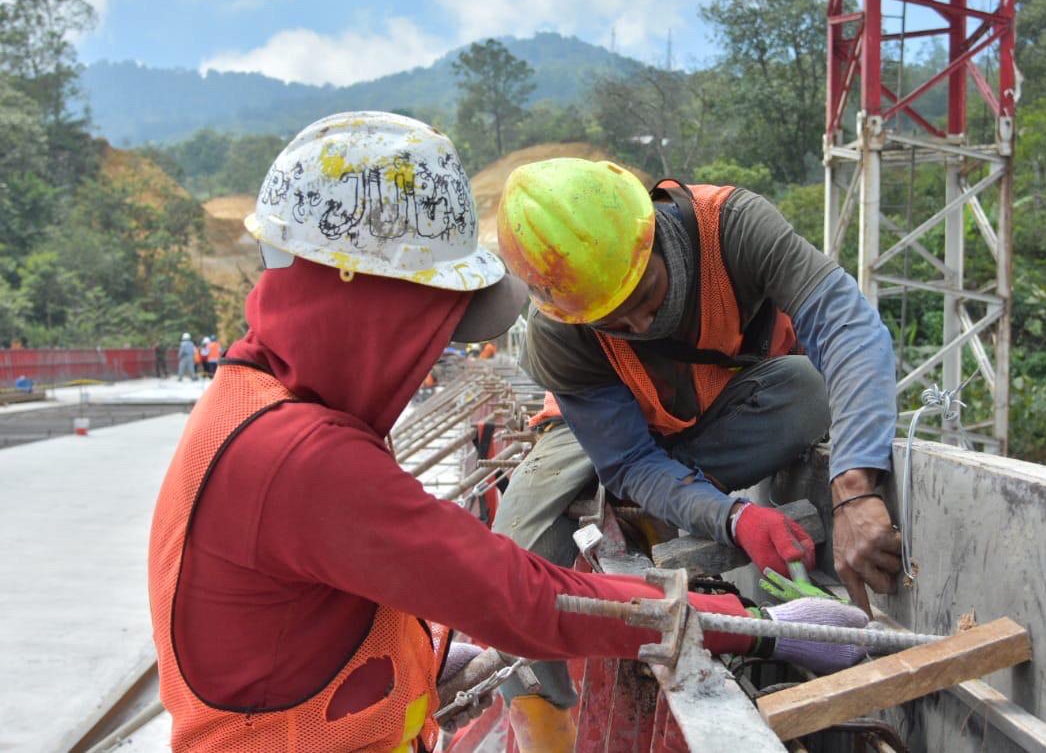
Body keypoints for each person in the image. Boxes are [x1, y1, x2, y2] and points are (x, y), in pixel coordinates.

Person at [147, 112, 870, 753]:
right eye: (431, 328)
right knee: (528, 538)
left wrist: (421, 664)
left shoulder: (248, 400)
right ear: (371, 307)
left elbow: (300, 622)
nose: (437, 354)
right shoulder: (301, 457)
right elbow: (520, 597)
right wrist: (750, 620)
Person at [494, 159, 901, 610]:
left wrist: (853, 487)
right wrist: (732, 518)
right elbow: (628, 460)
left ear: (652, 237)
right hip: (597, 441)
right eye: (614, 322)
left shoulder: (734, 228)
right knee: (514, 570)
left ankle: (659, 501)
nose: (642, 323)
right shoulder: (559, 330)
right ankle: (542, 679)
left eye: (648, 294)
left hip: (711, 419)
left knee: (809, 389)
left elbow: (848, 328)